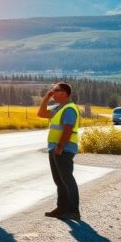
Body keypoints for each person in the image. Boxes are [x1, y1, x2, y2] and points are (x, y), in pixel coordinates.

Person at [38, 82, 81, 221]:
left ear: (64, 93)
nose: (52, 92)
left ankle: (73, 211)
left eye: (55, 90)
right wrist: (46, 97)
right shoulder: (58, 108)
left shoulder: (69, 109)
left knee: (67, 180)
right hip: (55, 148)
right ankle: (61, 208)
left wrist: (60, 146)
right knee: (59, 181)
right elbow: (41, 113)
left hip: (64, 149)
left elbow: (68, 129)